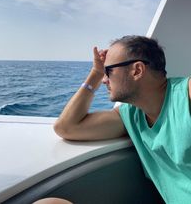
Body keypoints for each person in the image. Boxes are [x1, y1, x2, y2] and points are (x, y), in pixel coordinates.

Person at [37, 35, 191, 204]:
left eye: (107, 71)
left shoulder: (186, 96)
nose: (104, 80)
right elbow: (67, 127)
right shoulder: (132, 115)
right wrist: (95, 74)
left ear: (137, 70)